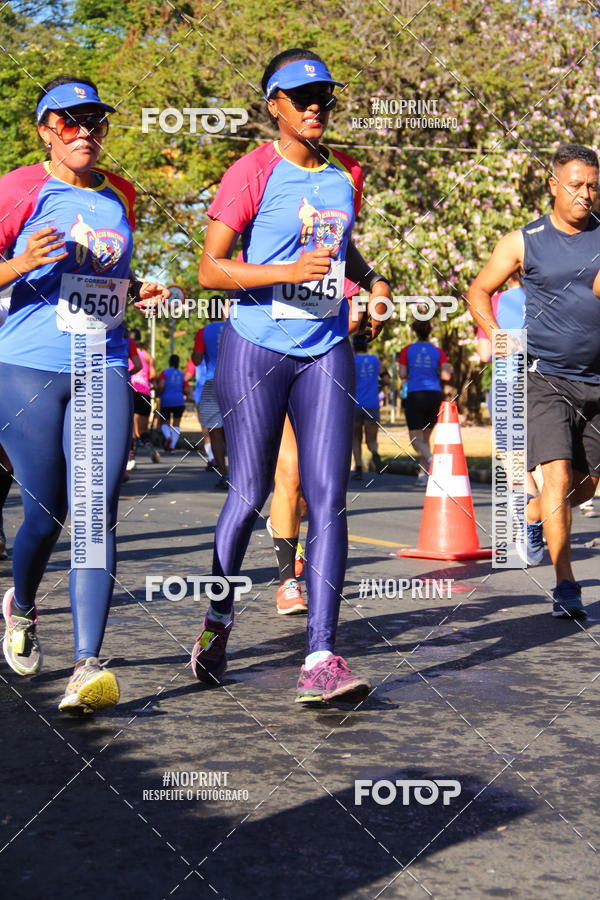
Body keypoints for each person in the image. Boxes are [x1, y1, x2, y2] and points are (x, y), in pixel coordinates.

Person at [190, 47, 392, 704]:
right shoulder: (250, 173)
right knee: (250, 490)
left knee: (327, 494)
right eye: (301, 98)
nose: (315, 108)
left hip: (326, 349)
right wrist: (283, 273)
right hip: (256, 346)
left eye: (324, 98)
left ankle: (322, 654)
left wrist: (375, 282)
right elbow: (210, 269)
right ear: (273, 105)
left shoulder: (345, 175)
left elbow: (344, 250)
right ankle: (218, 623)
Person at [0, 75, 167, 711]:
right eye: (68, 122)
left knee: (96, 511)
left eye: (93, 121)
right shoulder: (18, 188)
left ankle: (88, 665)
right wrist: (17, 265)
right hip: (26, 366)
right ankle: (19, 604)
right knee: (46, 514)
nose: (83, 133)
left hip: (104, 362)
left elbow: (109, 278)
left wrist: (140, 289)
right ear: (44, 129)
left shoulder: (119, 194)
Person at [468, 143, 600, 619]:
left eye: (593, 186)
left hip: (597, 382)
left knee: (584, 486)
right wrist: (500, 337)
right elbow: (479, 290)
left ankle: (530, 516)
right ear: (553, 185)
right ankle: (566, 584)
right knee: (557, 474)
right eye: (576, 184)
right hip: (547, 377)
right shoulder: (525, 241)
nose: (585, 194)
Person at [475, 271, 547, 565]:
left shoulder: (494, 302)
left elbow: (483, 353)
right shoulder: (548, 299)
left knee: (512, 456)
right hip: (547, 385)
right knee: (545, 458)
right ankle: (542, 515)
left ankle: (529, 518)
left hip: (508, 384)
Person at [397, 319, 454, 481]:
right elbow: (446, 376)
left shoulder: (407, 350)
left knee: (416, 441)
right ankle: (424, 475)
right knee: (425, 438)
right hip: (435, 395)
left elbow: (402, 375)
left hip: (416, 394)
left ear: (415, 332)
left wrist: (414, 372)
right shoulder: (437, 351)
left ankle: (434, 461)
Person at [192, 313, 227, 488]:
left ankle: (224, 474)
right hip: (239, 381)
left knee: (215, 431)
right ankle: (242, 474)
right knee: (238, 430)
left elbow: (197, 360)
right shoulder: (237, 326)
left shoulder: (203, 332)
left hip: (213, 381)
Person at [352, 332, 384, 481]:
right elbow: (386, 379)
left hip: (354, 404)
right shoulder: (375, 360)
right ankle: (375, 454)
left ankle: (358, 468)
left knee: (356, 438)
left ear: (353, 346)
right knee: (371, 439)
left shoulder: (350, 361)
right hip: (372, 404)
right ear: (366, 345)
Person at [128, 326, 160, 466]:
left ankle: (131, 458)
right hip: (145, 393)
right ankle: (151, 450)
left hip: (130, 391)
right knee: (142, 430)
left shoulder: (126, 351)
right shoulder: (147, 356)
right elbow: (153, 375)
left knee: (130, 429)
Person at [157, 353, 186, 452]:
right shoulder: (181, 374)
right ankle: (172, 445)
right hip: (179, 401)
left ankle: (168, 436)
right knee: (177, 423)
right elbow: (187, 389)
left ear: (169, 362)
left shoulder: (164, 373)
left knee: (164, 422)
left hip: (166, 400)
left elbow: (161, 386)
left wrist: (158, 393)